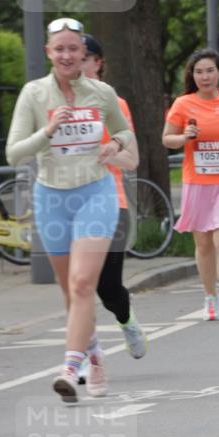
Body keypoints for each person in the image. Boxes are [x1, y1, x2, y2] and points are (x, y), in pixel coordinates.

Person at [6, 18, 134, 401]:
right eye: (59, 49)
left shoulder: (102, 93)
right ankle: (95, 356)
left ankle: (70, 366)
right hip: (51, 197)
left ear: (84, 54)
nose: (66, 55)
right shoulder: (33, 94)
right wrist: (47, 132)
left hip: (96, 192)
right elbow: (14, 152)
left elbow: (125, 133)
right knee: (70, 291)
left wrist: (115, 145)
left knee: (82, 284)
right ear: (49, 52)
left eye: (73, 49)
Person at [162, 48, 219, 320]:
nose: (205, 76)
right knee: (203, 243)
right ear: (193, 75)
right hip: (198, 180)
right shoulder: (183, 104)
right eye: (199, 71)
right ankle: (209, 298)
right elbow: (167, 138)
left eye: (210, 70)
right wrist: (185, 138)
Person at [79, 35, 146, 371]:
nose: (77, 62)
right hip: (70, 205)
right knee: (80, 285)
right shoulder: (59, 105)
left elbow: (132, 160)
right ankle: (81, 355)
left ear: (98, 62)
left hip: (111, 202)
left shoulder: (114, 104)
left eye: (84, 56)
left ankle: (125, 318)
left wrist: (106, 154)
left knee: (108, 288)